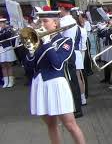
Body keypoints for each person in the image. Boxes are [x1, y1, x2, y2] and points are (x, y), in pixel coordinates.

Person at [24, 10, 86, 144]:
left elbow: (57, 64)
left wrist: (47, 43)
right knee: (51, 125)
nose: (42, 24)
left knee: (70, 125)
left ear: (55, 24)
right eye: (40, 21)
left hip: (56, 84)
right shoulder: (38, 42)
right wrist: (30, 52)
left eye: (45, 21)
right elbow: (29, 68)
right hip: (40, 84)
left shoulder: (65, 41)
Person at [57, 0, 83, 118]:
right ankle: (76, 107)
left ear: (62, 8)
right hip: (70, 53)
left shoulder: (63, 21)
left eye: (59, 8)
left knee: (70, 82)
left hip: (66, 53)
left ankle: (75, 108)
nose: (58, 11)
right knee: (72, 81)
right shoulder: (71, 20)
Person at [0, 18, 17, 88]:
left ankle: (11, 81)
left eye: (2, 23)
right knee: (3, 65)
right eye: (0, 23)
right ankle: (6, 81)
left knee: (8, 65)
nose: (1, 24)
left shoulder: (8, 29)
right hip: (1, 48)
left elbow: (7, 36)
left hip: (7, 47)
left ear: (5, 23)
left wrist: (4, 29)